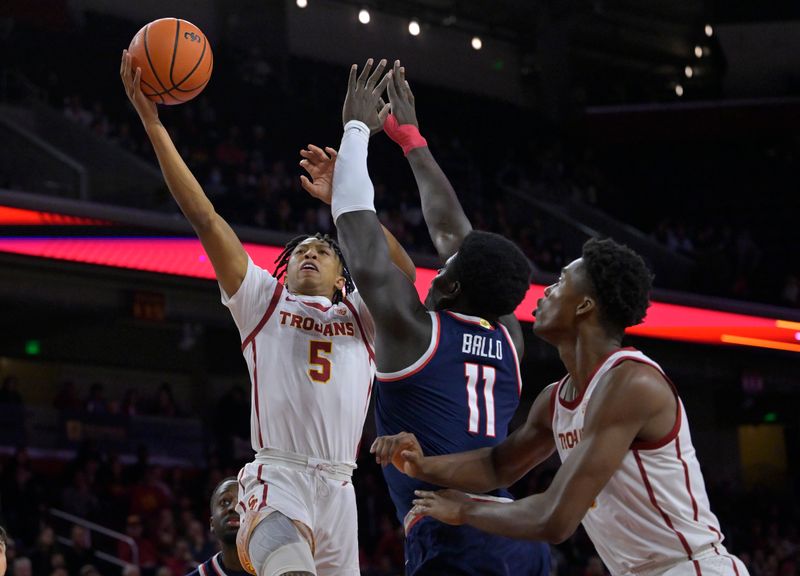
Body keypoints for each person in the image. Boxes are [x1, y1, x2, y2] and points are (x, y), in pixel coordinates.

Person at [120, 51, 414, 576]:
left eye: (322, 250)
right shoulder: (263, 301)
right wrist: (151, 122)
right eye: (299, 250)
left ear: (342, 278)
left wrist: (343, 199)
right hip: (279, 479)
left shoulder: (363, 317)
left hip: (341, 491)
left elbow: (404, 275)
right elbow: (205, 218)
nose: (308, 252)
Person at [377, 237, 750, 575]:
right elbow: (496, 466)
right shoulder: (556, 399)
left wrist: (465, 510)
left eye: (559, 284)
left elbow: (556, 519)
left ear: (585, 305)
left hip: (691, 567)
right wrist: (422, 464)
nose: (544, 293)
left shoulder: (631, 383)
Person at [327, 59, 549, 575]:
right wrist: (412, 142)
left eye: (443, 270)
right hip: (519, 538)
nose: (439, 266)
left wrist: (356, 129)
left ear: (449, 285)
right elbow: (456, 236)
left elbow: (358, 240)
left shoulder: (415, 330)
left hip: (455, 537)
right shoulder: (509, 336)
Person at [186, 478, 249, 576]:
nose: (234, 507)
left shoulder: (277, 569)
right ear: (212, 523)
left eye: (243, 502)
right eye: (225, 502)